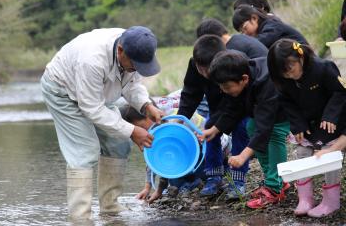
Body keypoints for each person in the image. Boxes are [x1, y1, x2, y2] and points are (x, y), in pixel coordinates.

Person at [40, 26, 164, 220]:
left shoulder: (135, 47)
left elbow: (132, 85)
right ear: (120, 50)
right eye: (134, 65)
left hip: (97, 94)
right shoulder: (92, 60)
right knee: (84, 150)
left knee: (118, 143)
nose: (136, 69)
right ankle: (80, 218)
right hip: (62, 90)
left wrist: (146, 105)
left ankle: (110, 207)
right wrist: (133, 130)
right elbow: (92, 108)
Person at [179, 19, 268, 198]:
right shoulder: (195, 65)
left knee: (241, 129)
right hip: (216, 106)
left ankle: (238, 180)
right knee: (210, 129)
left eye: (208, 69)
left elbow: (242, 98)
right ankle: (214, 177)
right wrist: (180, 119)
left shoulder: (232, 62)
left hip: (239, 105)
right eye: (200, 68)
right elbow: (190, 93)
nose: (204, 73)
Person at [200, 50, 290, 209]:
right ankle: (276, 181)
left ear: (244, 79)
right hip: (266, 113)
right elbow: (233, 108)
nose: (223, 90)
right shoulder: (238, 77)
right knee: (250, 126)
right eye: (220, 86)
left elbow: (265, 128)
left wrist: (242, 156)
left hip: (288, 109)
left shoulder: (265, 80)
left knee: (274, 134)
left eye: (226, 86)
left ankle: (274, 188)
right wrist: (214, 129)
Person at [267, 38, 346, 217]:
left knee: (329, 156)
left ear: (300, 57)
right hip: (307, 123)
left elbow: (340, 92)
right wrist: (298, 125)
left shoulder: (323, 68)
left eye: (291, 68)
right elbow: (286, 103)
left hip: (331, 122)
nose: (289, 75)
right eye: (283, 73)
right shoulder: (284, 80)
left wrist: (330, 115)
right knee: (302, 152)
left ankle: (331, 201)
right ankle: (305, 198)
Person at [233, 4, 308, 48]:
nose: (245, 34)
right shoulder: (264, 27)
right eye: (242, 32)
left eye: (245, 28)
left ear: (254, 18)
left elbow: (259, 43)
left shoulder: (272, 24)